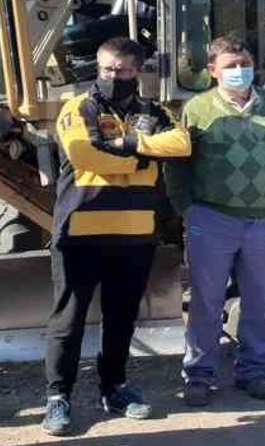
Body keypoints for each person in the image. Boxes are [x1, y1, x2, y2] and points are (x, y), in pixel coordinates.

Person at [41, 37, 191, 436]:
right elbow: (84, 154)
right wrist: (144, 161)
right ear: (98, 67)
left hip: (135, 234)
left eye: (122, 71)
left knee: (121, 319)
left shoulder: (153, 111)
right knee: (67, 320)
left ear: (137, 72)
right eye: (107, 69)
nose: (113, 76)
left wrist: (129, 145)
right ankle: (58, 396)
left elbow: (181, 144)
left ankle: (115, 387)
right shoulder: (80, 106)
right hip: (81, 232)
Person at [165, 35, 265, 406]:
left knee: (260, 300)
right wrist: (186, 208)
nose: (239, 72)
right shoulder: (196, 109)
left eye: (244, 64)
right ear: (212, 71)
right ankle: (199, 376)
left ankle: (253, 372)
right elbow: (177, 165)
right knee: (206, 302)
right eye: (230, 66)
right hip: (212, 220)